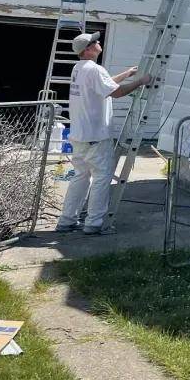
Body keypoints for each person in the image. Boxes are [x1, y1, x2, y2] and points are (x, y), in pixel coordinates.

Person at [55, 31, 150, 236]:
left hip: (80, 135)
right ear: (88, 49)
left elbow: (105, 86)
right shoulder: (94, 70)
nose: (99, 43)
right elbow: (116, 92)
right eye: (94, 42)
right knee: (101, 179)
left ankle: (67, 220)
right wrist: (140, 82)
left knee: (80, 177)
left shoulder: (79, 68)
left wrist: (126, 74)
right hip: (96, 136)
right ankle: (94, 223)